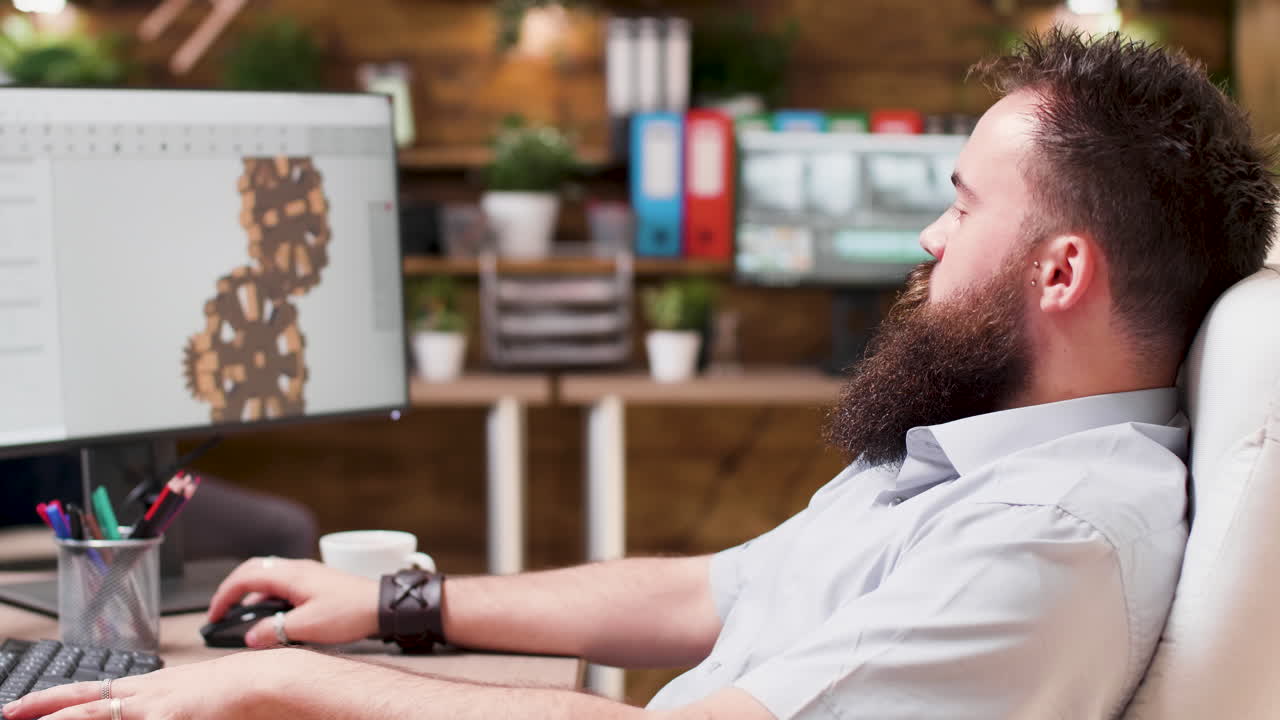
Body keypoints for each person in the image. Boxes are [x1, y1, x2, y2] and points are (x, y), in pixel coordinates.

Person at [7, 27, 1277, 720]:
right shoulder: (984, 450)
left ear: (1059, 272)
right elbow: (710, 591)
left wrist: (277, 683)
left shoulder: (1045, 540)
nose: (928, 237)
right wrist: (398, 605)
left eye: (960, 205)